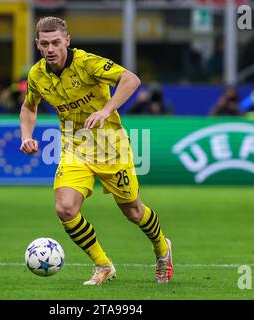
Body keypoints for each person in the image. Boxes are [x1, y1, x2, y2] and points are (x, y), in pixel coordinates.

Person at [20, 17, 173, 285]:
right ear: (37, 45)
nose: (51, 48)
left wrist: (106, 109)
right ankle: (103, 265)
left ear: (67, 40)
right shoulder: (36, 75)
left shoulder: (87, 63)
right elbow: (29, 106)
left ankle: (162, 249)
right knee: (65, 208)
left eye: (56, 42)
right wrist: (26, 136)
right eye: (45, 44)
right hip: (74, 148)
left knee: (134, 212)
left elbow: (131, 79)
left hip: (110, 146)